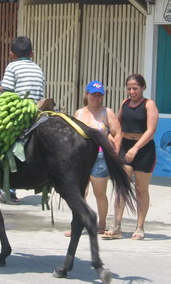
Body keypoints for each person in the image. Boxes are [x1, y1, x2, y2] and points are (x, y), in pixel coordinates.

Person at [103, 74, 158, 241]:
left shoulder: (149, 105)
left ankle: (140, 226)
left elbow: (151, 130)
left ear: (143, 88)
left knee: (141, 189)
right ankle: (116, 225)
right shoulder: (124, 104)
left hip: (144, 150)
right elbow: (117, 124)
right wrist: (110, 134)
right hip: (125, 148)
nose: (132, 91)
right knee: (121, 187)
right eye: (129, 88)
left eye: (135, 88)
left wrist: (136, 147)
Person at [64, 80, 121, 237]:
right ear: (86, 94)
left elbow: (117, 133)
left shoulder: (107, 112)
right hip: (80, 158)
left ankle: (101, 223)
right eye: (93, 94)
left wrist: (114, 153)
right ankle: (78, 224)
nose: (96, 97)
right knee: (80, 193)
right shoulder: (79, 113)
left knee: (99, 192)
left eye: (99, 95)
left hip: (100, 157)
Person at [0, 36, 45, 203]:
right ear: (32, 53)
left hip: (20, 112)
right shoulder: (38, 68)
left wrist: (0, 90)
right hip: (39, 112)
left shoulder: (12, 67)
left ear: (12, 54)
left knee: (0, 140)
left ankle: (7, 188)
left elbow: (8, 93)